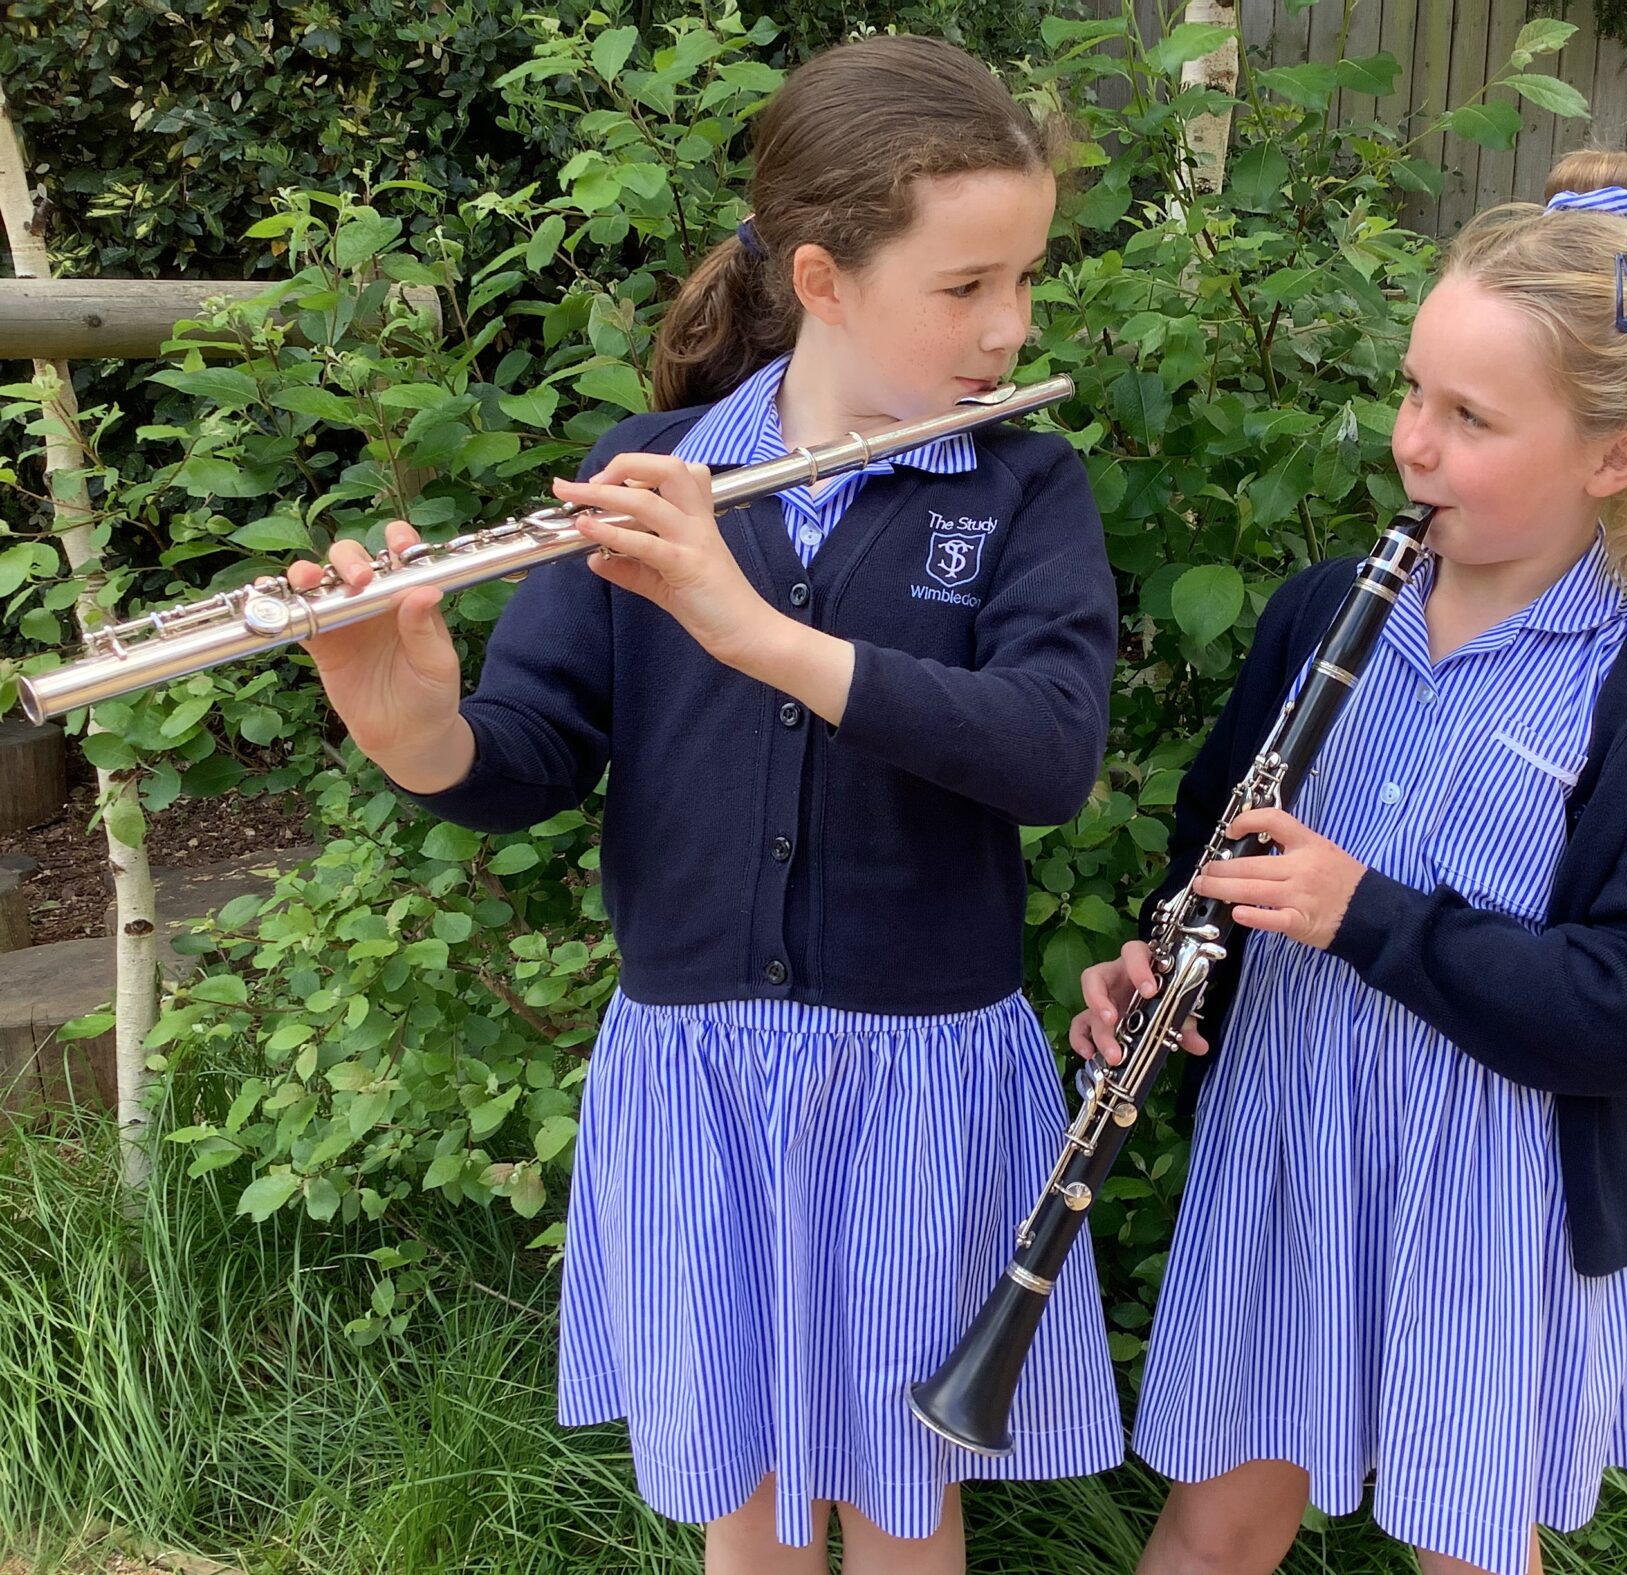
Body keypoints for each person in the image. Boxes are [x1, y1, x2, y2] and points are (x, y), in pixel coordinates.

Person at [285, 36, 1123, 1575]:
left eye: (1025, 280)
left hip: (917, 1080)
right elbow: (530, 750)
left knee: (899, 1508)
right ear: (822, 277)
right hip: (696, 1077)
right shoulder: (647, 472)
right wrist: (411, 727)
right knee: (742, 1511)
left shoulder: (1018, 491)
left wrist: (758, 631)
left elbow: (1049, 752)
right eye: (966, 286)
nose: (1009, 327)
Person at [1069, 150, 1627, 1575]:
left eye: (1470, 417)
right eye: (1414, 391)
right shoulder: (1316, 618)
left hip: (1492, 1193)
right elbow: (1219, 847)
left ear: (1614, 459)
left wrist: (1370, 915)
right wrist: (1161, 955)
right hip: (1289, 1141)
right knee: (1216, 1521)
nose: (1414, 440)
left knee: (1465, 1546)